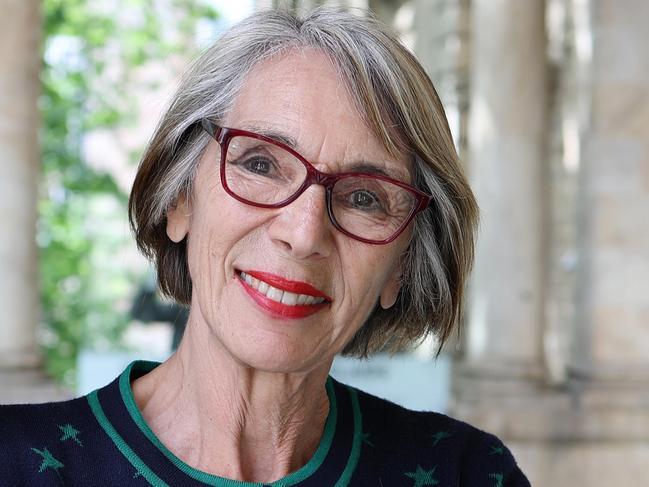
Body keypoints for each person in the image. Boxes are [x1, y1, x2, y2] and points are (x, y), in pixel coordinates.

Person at [0, 7, 530, 486]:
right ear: (180, 198)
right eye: (260, 164)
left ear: (403, 264)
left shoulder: (467, 474)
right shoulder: (15, 463)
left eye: (365, 197)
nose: (302, 234)